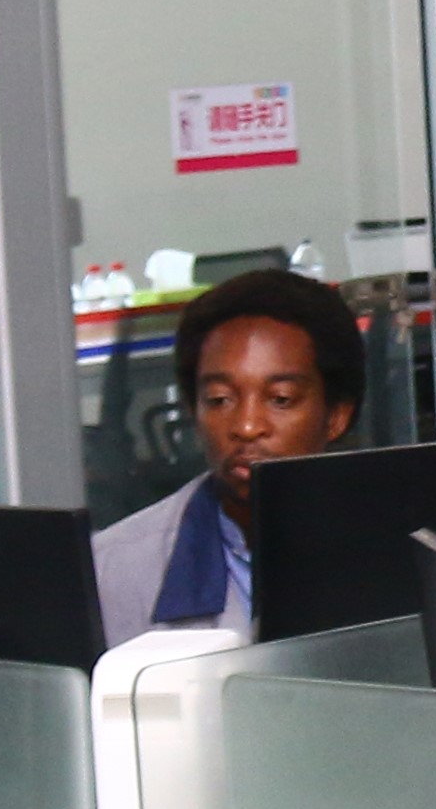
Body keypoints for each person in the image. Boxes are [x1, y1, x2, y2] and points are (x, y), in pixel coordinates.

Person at [91, 269, 361, 645]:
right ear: (193, 409)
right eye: (220, 400)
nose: (247, 427)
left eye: (280, 399)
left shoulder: (406, 550)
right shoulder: (113, 569)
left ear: (336, 417)